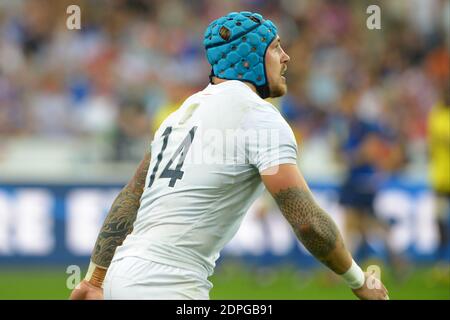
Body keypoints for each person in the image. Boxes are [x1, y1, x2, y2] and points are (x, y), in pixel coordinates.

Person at [70, 11, 388, 300]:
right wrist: (359, 280)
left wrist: (96, 278)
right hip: (167, 285)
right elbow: (307, 222)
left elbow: (130, 197)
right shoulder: (258, 116)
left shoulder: (180, 115)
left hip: (122, 275)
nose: (286, 57)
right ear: (248, 58)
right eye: (276, 47)